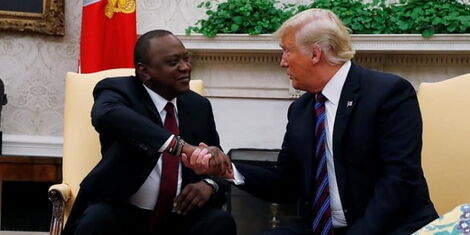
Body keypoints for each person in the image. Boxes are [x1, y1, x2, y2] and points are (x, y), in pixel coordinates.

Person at [184, 9, 438, 235]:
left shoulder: (388, 93)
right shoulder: (301, 109)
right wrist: (229, 170)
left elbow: (398, 182)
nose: (282, 62)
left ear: (315, 54)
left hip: (388, 226)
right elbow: (285, 184)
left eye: (286, 51)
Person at [63, 30, 236, 235]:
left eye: (186, 59)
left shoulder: (198, 105)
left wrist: (209, 184)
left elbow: (219, 165)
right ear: (144, 71)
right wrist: (179, 146)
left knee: (220, 222)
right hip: (122, 210)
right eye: (173, 63)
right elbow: (105, 114)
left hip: (180, 214)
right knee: (95, 222)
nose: (185, 68)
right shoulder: (119, 91)